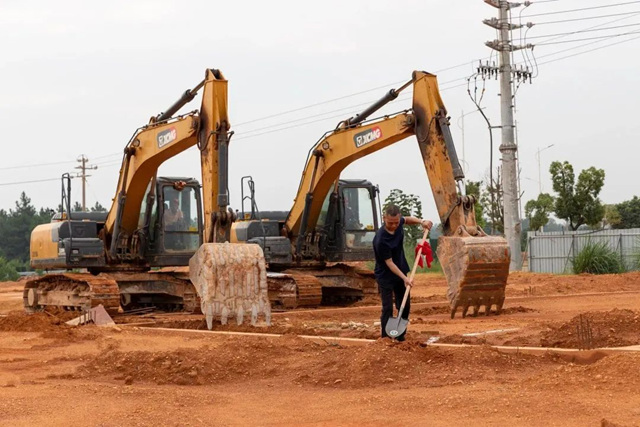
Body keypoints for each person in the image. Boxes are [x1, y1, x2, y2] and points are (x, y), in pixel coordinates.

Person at [373, 204, 432, 341]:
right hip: (385, 275)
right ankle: (385, 338)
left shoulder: (399, 222)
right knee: (387, 307)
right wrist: (405, 278)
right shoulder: (380, 239)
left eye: (396, 222)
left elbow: (408, 220)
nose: (394, 225)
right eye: (390, 223)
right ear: (384, 218)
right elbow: (389, 263)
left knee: (404, 306)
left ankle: (400, 337)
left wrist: (421, 222)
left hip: (401, 269)